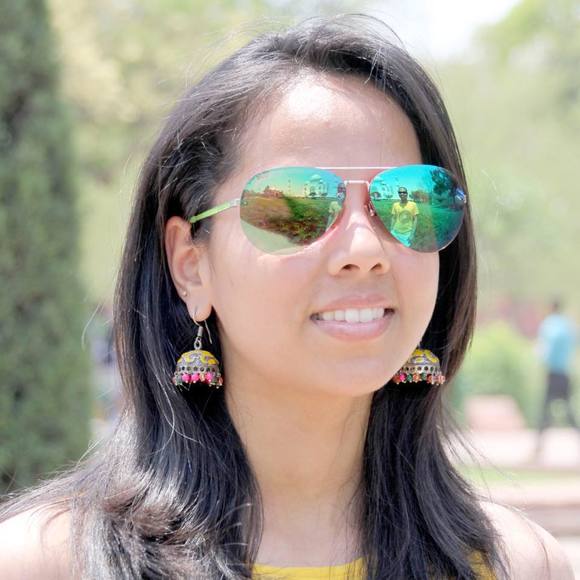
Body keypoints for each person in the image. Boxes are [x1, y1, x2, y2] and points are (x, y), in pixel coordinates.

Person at [0, 14, 574, 580]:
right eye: (298, 204)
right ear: (190, 265)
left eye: (409, 200)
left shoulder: (516, 566)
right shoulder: (49, 564)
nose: (364, 248)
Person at [534, 297, 579, 459]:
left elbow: (546, 349)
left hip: (553, 373)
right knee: (568, 410)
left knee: (545, 410)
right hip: (565, 373)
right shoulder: (568, 325)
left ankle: (538, 447)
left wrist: (543, 364)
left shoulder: (550, 325)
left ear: (551, 307)